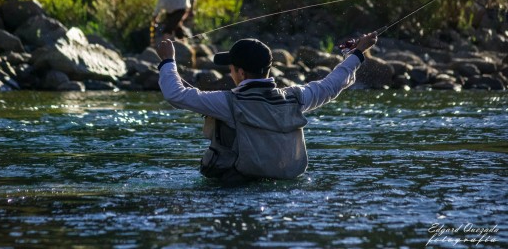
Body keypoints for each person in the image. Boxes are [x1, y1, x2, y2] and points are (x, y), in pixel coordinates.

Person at [156, 32, 378, 184]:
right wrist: (358, 53)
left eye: (231, 69)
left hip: (234, 186)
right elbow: (331, 84)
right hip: (285, 183)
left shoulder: (226, 102)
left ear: (241, 73)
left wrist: (168, 61)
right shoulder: (295, 98)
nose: (230, 73)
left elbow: (176, 94)